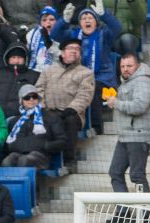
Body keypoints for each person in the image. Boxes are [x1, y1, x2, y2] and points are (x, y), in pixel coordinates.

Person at [51, 0, 122, 135]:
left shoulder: (104, 34)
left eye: (90, 18)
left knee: (91, 87)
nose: (87, 20)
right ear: (79, 23)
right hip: (77, 77)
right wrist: (64, 20)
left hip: (102, 79)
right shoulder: (73, 34)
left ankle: (96, 127)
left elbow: (117, 28)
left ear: (96, 22)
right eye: (83, 18)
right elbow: (55, 34)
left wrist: (104, 14)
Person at [36, 38, 94, 167]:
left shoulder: (86, 73)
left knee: (70, 120)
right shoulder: (48, 70)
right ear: (62, 52)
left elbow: (85, 94)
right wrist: (43, 107)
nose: (74, 51)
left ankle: (69, 159)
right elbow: (39, 89)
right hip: (49, 111)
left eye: (77, 49)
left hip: (72, 113)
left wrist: (72, 108)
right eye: (70, 48)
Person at [107, 54, 150, 194]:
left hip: (138, 136)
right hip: (125, 136)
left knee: (137, 175)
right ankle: (123, 213)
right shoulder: (127, 82)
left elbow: (140, 106)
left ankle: (147, 214)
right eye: (122, 66)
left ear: (138, 66)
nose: (125, 69)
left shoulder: (142, 81)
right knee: (115, 172)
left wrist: (116, 103)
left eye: (129, 66)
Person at [3, 84, 67, 169]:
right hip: (19, 154)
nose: (31, 99)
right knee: (7, 162)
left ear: (38, 99)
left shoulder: (51, 116)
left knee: (25, 161)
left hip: (41, 156)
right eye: (27, 97)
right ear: (21, 100)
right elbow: (8, 145)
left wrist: (45, 145)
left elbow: (62, 141)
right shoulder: (15, 121)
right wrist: (14, 146)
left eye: (34, 96)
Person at [0, 43, 41, 118]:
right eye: (13, 57)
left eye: (19, 58)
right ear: (8, 59)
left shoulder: (34, 76)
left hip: (20, 117)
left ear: (25, 59)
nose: (16, 61)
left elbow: (38, 99)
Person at [26, 6, 60, 73]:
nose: (48, 22)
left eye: (51, 19)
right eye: (44, 20)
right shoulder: (32, 34)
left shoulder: (62, 35)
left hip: (53, 73)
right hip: (33, 71)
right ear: (40, 22)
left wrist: (51, 46)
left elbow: (61, 57)